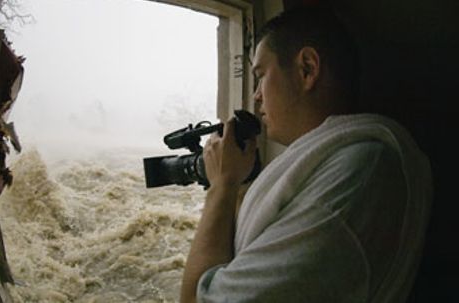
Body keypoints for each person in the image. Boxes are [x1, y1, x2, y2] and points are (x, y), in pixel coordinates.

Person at [180, 7, 432, 303]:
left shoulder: (360, 170)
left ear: (307, 69)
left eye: (261, 76)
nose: (256, 95)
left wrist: (221, 187)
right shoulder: (335, 163)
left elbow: (200, 300)